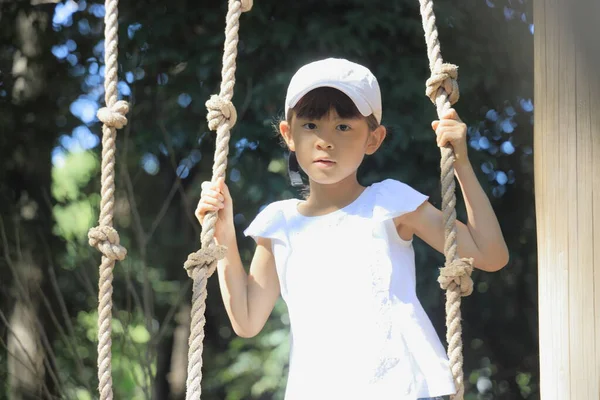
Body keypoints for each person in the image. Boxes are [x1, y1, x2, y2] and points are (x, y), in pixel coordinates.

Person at [195, 58, 508, 400]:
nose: (325, 141)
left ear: (373, 139)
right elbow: (247, 319)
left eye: (343, 127)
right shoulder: (279, 223)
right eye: (311, 125)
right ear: (288, 134)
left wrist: (459, 160)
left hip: (404, 388)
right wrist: (222, 235)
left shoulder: (389, 203)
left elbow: (490, 255)